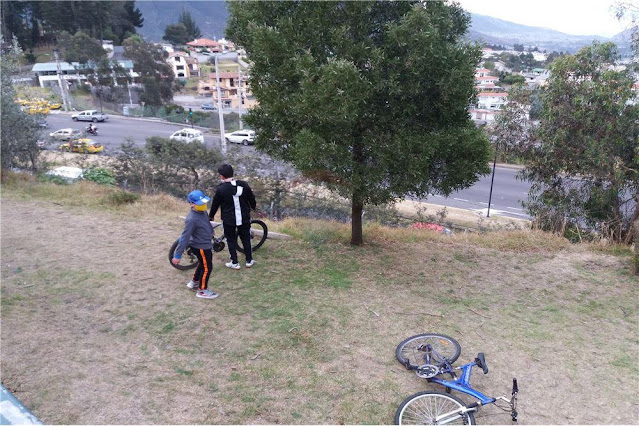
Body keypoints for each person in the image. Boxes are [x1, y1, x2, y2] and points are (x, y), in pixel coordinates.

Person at [172, 190, 219, 299]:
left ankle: (194, 282)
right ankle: (202, 291)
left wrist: (211, 230)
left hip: (205, 243)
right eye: (200, 203)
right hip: (201, 247)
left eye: (203, 203)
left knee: (203, 264)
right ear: (192, 204)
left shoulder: (202, 211)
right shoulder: (191, 219)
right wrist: (177, 255)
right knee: (208, 267)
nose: (203, 205)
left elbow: (206, 222)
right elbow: (184, 237)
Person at [209, 164, 257, 270]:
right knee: (245, 238)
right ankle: (249, 260)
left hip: (229, 219)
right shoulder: (243, 184)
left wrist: (211, 216)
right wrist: (253, 207)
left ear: (221, 176)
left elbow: (215, 204)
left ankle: (235, 263)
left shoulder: (221, 189)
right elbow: (251, 198)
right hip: (244, 217)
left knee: (230, 240)